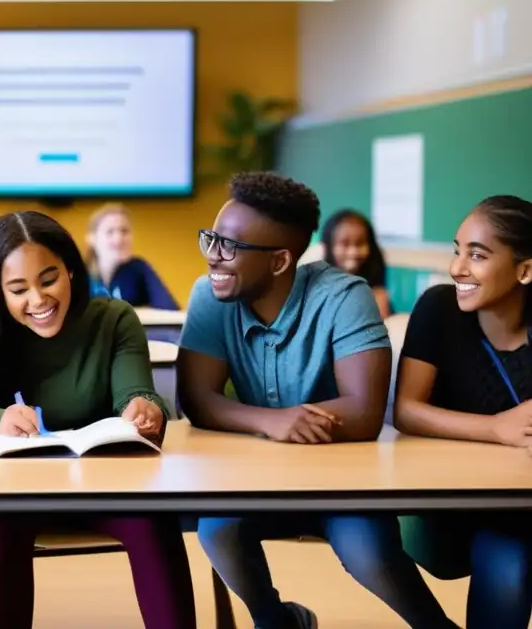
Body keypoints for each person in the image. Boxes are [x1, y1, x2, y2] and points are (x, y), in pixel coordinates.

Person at [177, 172, 455, 629]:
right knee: (218, 528)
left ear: (281, 260)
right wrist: (272, 421)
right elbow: (196, 397)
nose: (213, 256)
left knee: (367, 550)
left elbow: (364, 412)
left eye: (229, 246)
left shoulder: (345, 296)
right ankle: (276, 621)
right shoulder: (210, 294)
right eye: (211, 239)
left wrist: (266, 421)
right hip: (252, 479)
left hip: (341, 484)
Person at [0, 210, 196, 629]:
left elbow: (136, 393)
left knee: (152, 516)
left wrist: (145, 408)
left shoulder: (113, 319)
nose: (38, 300)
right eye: (18, 289)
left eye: (49, 279)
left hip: (107, 488)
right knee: (1, 518)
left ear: (71, 270)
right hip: (16, 493)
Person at [394, 195, 532, 629]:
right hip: (453, 505)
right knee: (508, 561)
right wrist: (495, 428)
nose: (457, 268)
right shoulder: (438, 309)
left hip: (521, 500)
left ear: (525, 269)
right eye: (457, 250)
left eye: (477, 255)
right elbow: (407, 411)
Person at [84, 203, 178, 309]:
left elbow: (170, 310)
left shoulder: (138, 268)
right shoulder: (79, 273)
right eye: (110, 232)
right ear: (92, 239)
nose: (118, 238)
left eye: (124, 231)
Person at [321, 209, 393, 318]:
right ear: (329, 247)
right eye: (345, 244)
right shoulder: (319, 285)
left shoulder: (377, 291)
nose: (353, 252)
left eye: (360, 243)